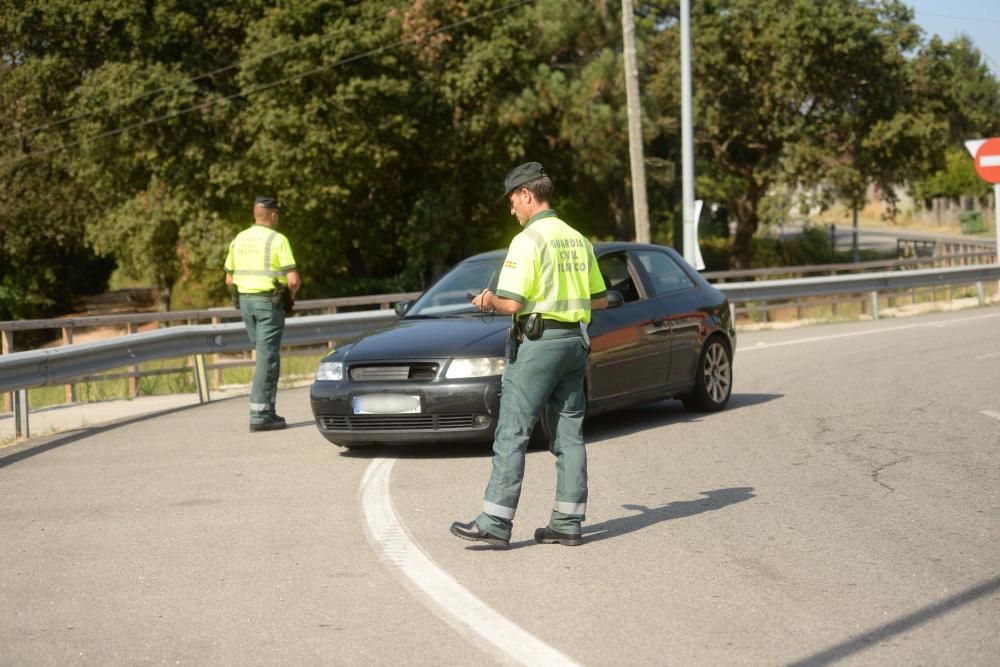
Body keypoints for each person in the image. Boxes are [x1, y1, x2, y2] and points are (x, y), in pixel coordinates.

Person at [450, 162, 608, 547]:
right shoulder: (577, 238)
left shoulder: (529, 240)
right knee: (569, 434)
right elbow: (600, 299)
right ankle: (568, 522)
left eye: (512, 201)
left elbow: (511, 303)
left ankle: (495, 521)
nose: (511, 210)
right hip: (574, 342)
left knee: (512, 430)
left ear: (526, 194)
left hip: (538, 345)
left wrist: (486, 299)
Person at [224, 196, 301, 432]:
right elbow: (293, 279)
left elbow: (229, 278)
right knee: (267, 359)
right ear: (274, 214)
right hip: (268, 302)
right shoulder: (278, 240)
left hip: (246, 303)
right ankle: (259, 415)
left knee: (265, 357)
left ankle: (268, 410)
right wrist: (291, 296)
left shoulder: (239, 238)